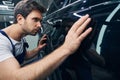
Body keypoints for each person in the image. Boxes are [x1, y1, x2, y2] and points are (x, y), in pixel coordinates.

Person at [0, 0, 92, 80]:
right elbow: (14, 78)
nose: (40, 25)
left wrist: (38, 49)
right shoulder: (2, 41)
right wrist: (66, 48)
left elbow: (24, 56)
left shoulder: (20, 37)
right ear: (20, 19)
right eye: (35, 19)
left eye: (40, 21)